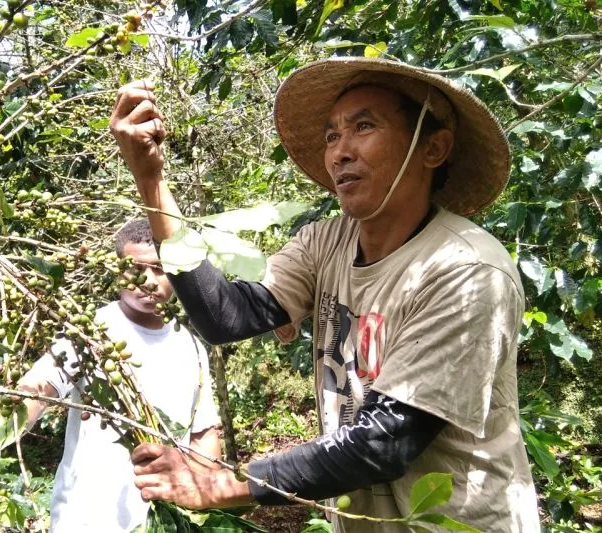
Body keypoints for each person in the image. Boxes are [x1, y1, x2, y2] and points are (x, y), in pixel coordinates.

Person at [109, 58, 540, 532]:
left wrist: (221, 484)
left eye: (364, 126)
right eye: (332, 135)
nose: (339, 152)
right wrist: (151, 178)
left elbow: (384, 441)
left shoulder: (466, 270)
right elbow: (225, 317)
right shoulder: (326, 242)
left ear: (433, 147)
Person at [17, 219, 222, 532]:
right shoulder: (89, 332)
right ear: (116, 270)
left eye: (159, 268)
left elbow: (203, 436)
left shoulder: (192, 346)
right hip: (85, 520)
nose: (147, 280)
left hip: (162, 522)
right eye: (134, 267)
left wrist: (205, 500)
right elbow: (41, 385)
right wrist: (8, 419)